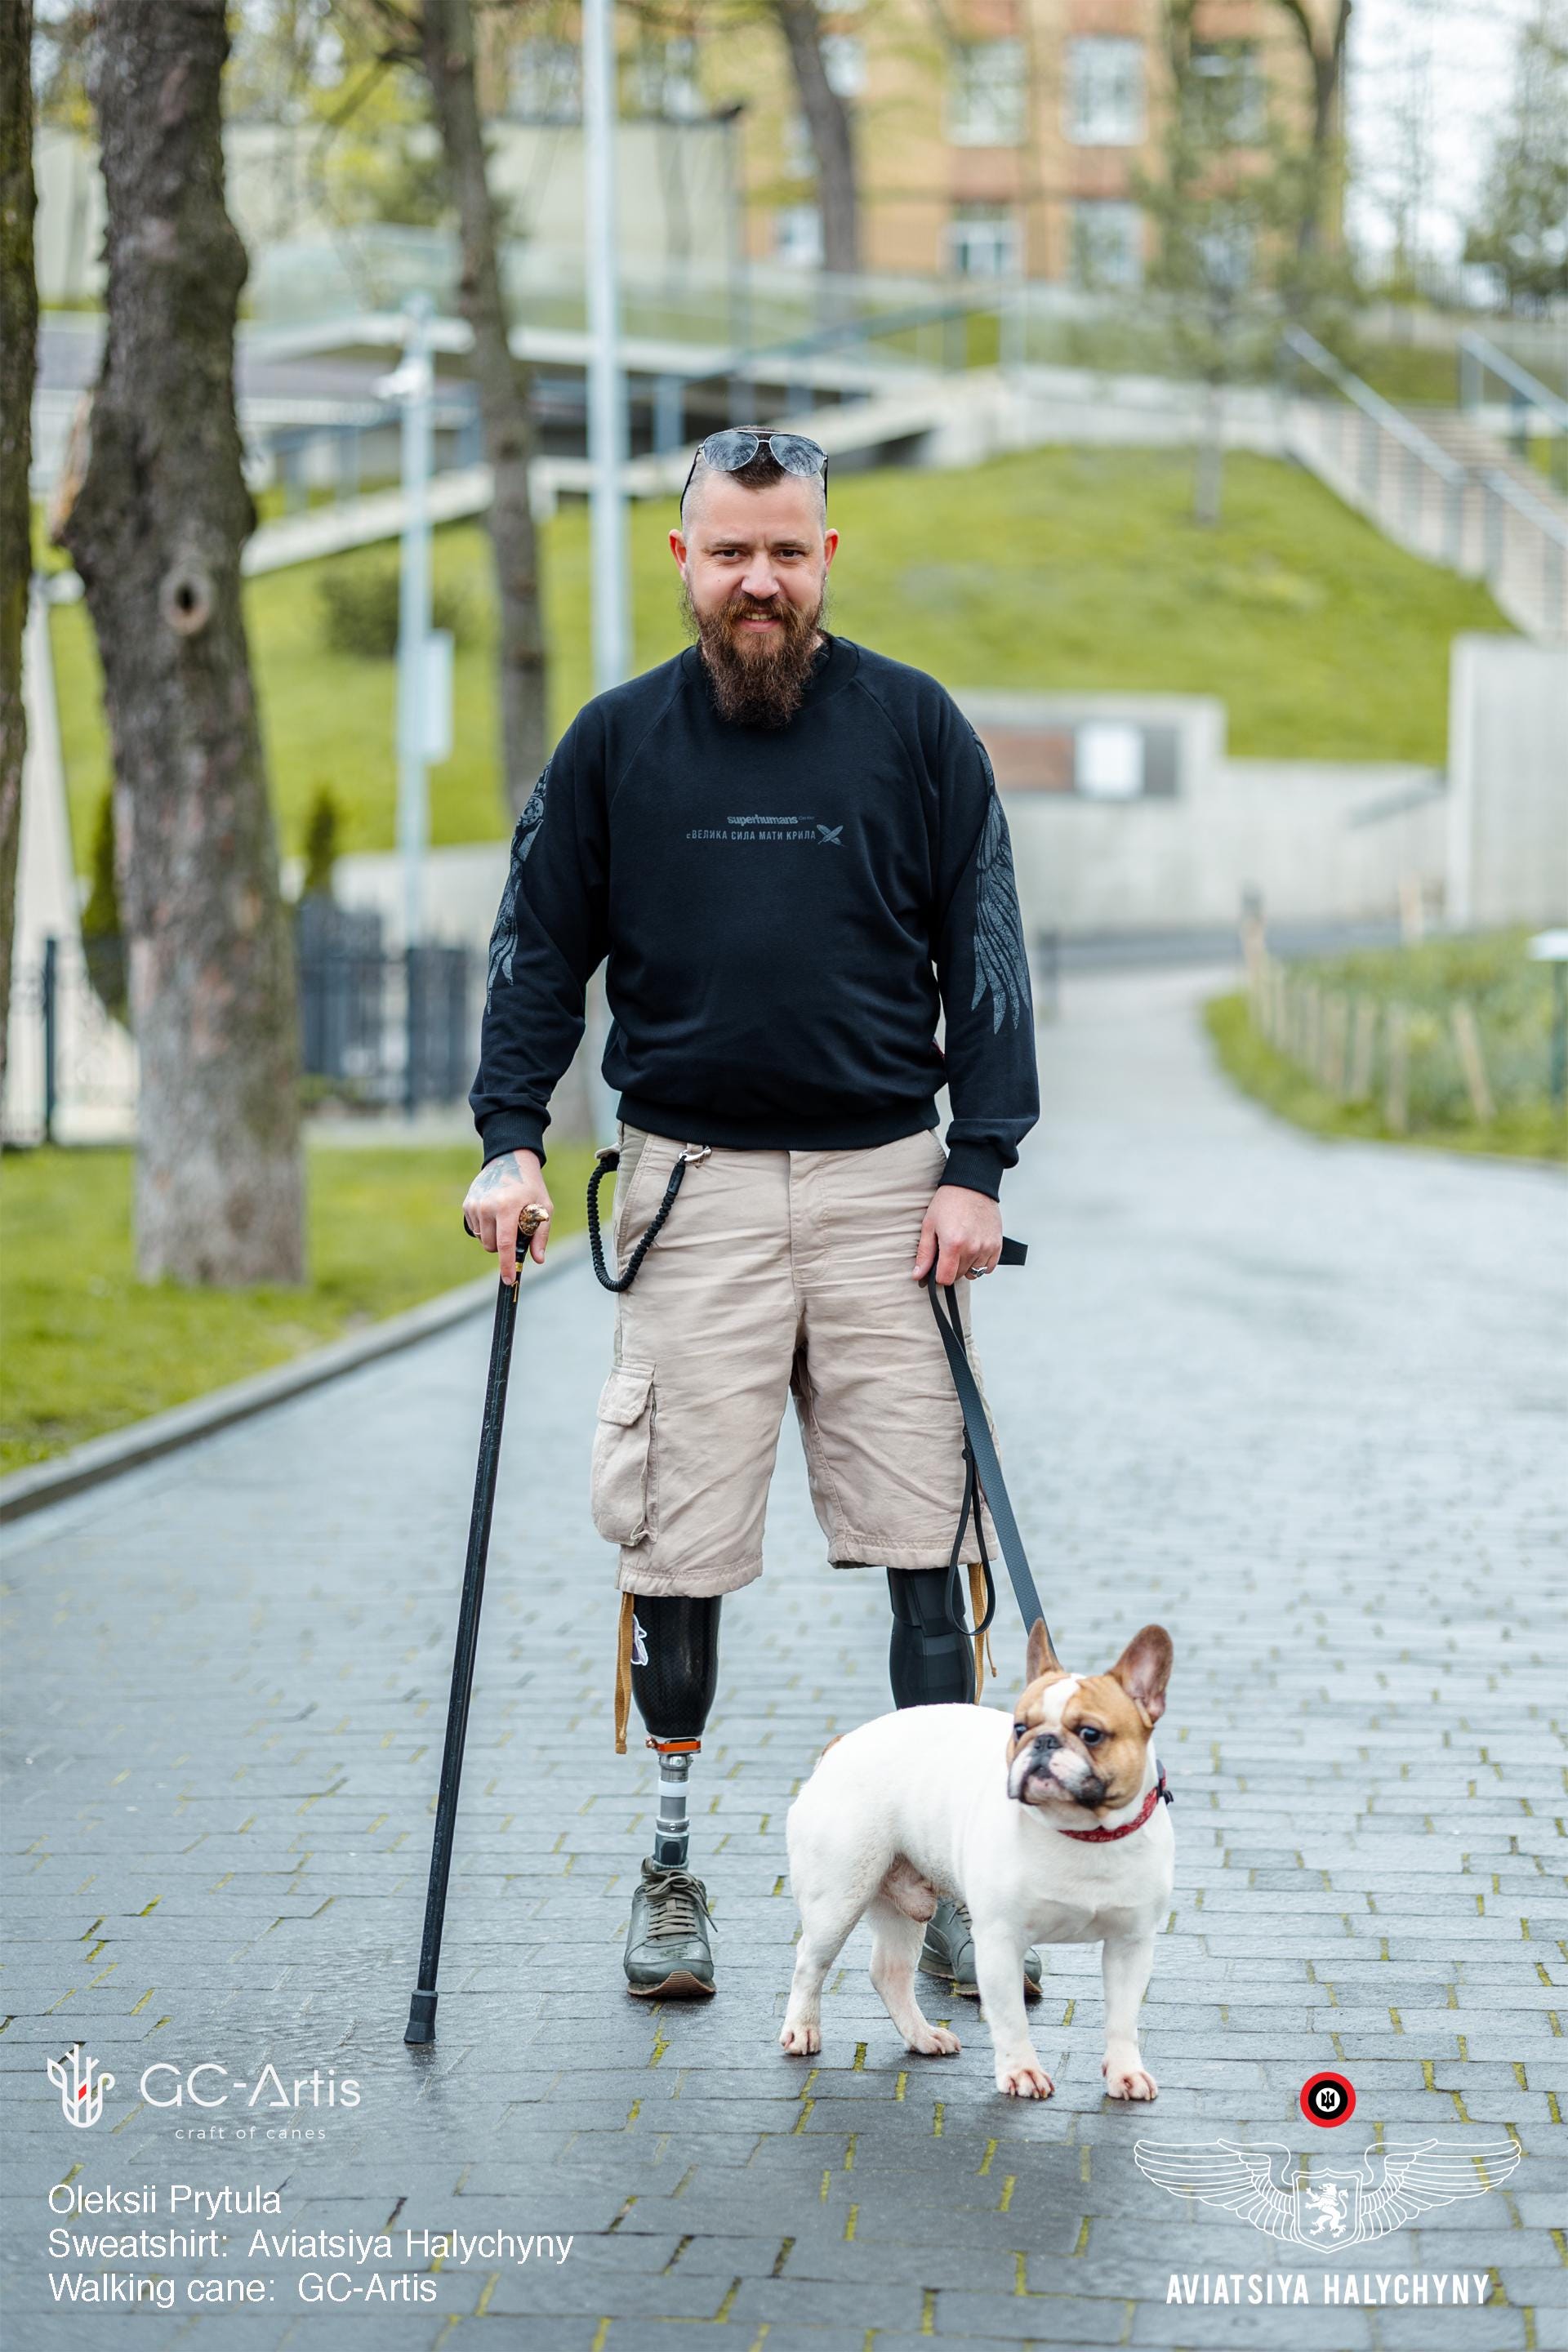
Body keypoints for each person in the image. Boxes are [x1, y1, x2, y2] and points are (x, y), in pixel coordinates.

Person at [464, 429, 1040, 2002]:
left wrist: (979, 1166)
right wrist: (511, 1144)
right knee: (677, 1538)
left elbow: (986, 957)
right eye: (732, 553)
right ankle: (669, 1870)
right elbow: (531, 956)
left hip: (886, 1199)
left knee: (930, 1540)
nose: (760, 582)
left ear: (829, 556)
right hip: (691, 1193)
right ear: (683, 559)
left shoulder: (918, 730)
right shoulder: (614, 744)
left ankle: (938, 1910)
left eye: (788, 551)